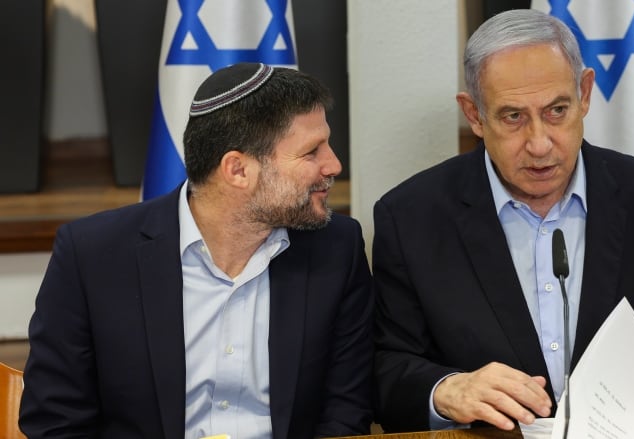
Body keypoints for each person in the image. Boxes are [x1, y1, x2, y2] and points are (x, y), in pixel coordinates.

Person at [371, 9, 634, 433]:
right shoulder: (411, 218)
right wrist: (447, 391)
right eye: (513, 117)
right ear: (474, 115)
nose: (540, 144)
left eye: (557, 110)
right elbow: (385, 370)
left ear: (584, 94)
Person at [20, 63, 374, 439]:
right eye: (311, 152)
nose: (333, 164)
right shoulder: (92, 255)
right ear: (237, 170)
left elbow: (346, 411)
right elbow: (54, 422)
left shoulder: (337, 247)